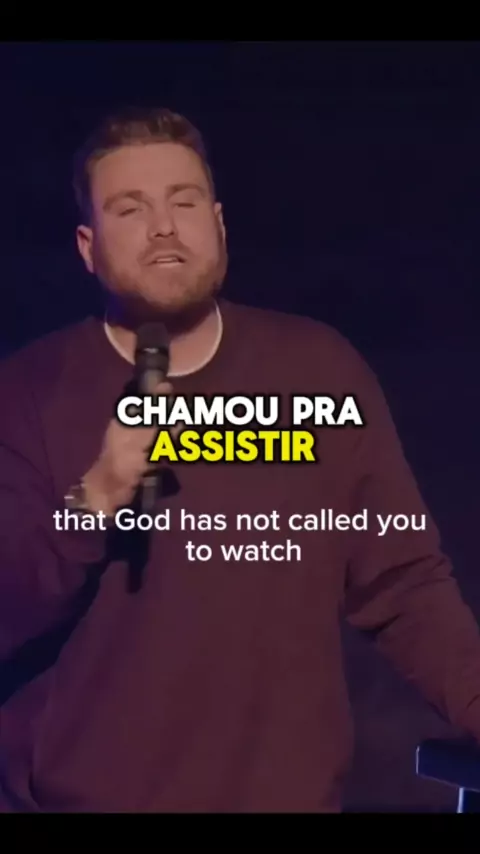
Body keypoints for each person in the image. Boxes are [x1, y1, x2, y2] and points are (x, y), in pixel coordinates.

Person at [0, 106, 479, 813]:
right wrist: (92, 500)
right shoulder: (29, 394)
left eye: (184, 201)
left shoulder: (318, 371)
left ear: (219, 224)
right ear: (87, 247)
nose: (164, 226)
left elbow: (406, 584)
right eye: (130, 208)